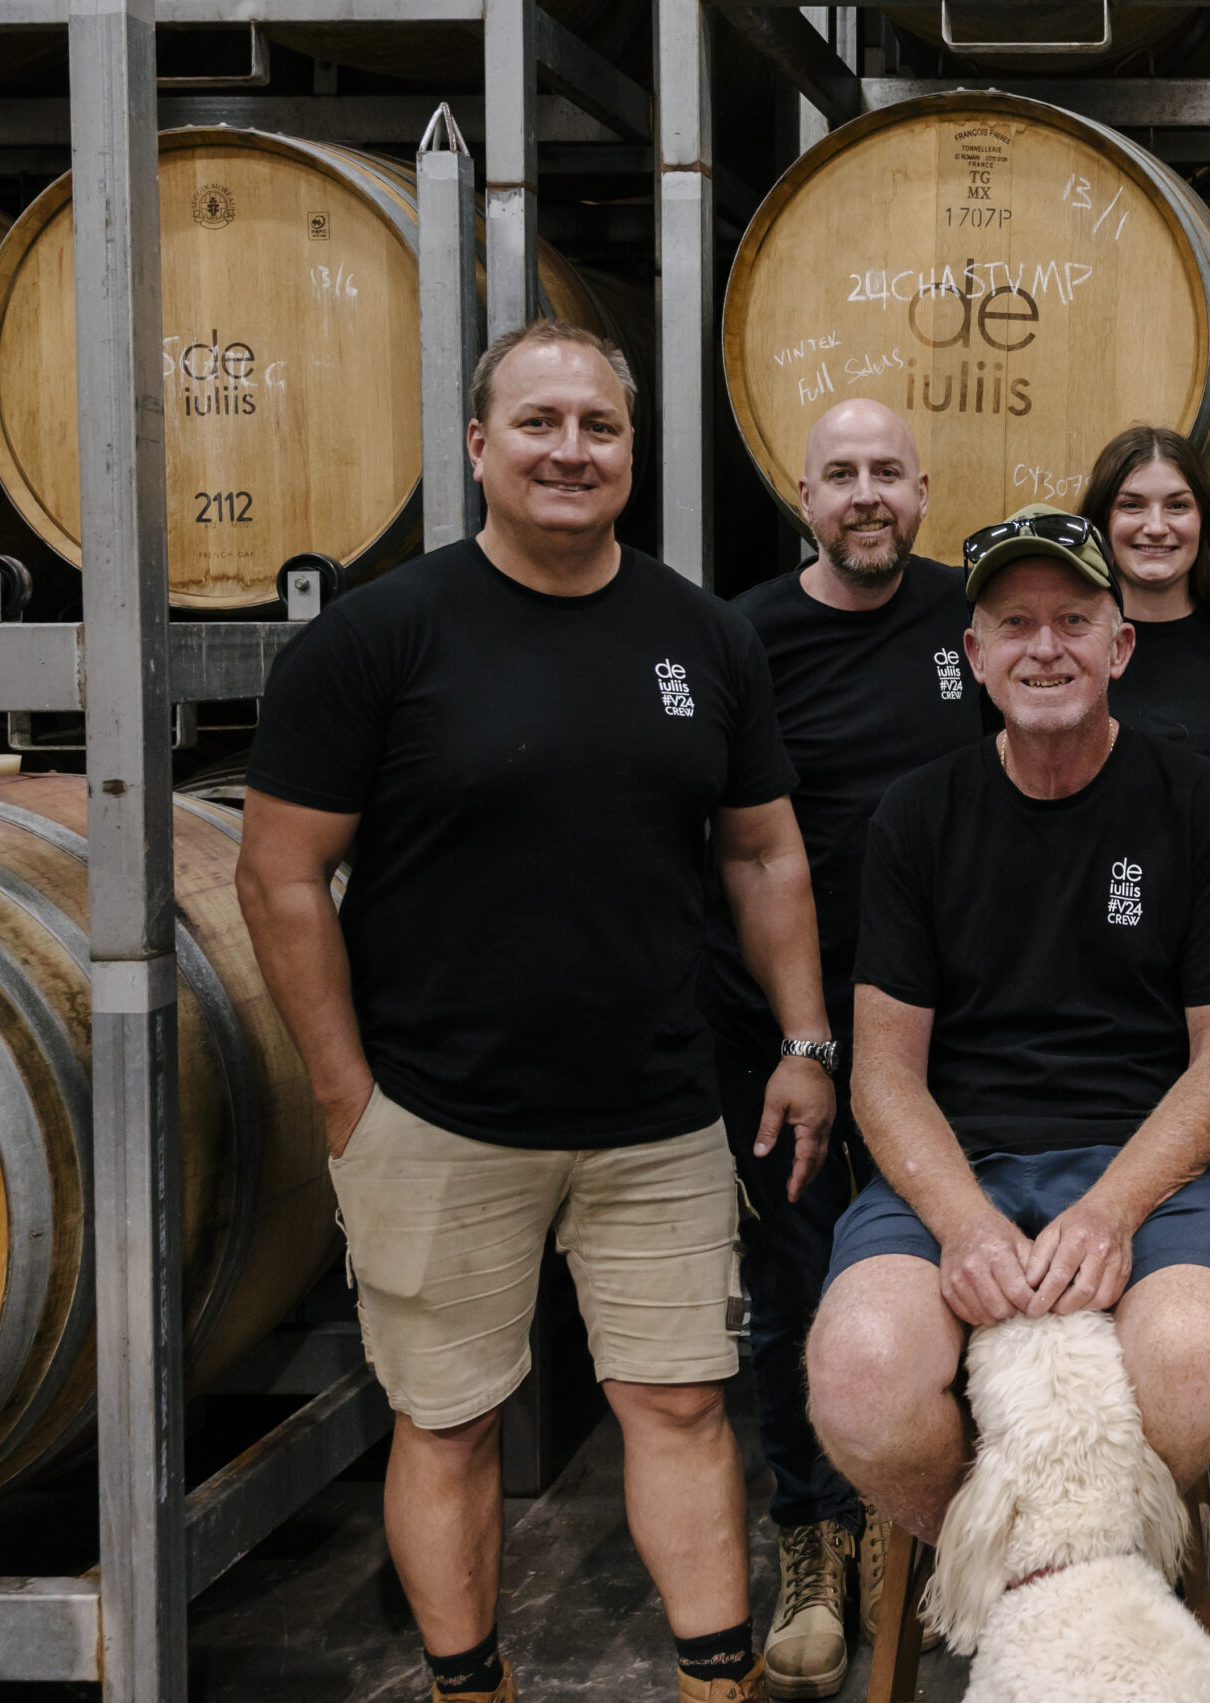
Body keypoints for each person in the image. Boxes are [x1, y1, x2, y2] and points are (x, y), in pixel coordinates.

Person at [238, 319, 833, 1703]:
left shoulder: (701, 633)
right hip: (440, 1112)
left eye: (601, 426)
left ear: (633, 449)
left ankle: (713, 1684)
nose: (573, 449)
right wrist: (347, 1098)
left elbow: (763, 850)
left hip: (658, 1106)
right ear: (478, 446)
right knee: (446, 1423)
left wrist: (803, 1038)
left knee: (682, 1405)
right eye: (540, 423)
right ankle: (469, 1684)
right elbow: (280, 874)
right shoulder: (380, 637)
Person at [803, 502, 1210, 1550]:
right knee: (858, 1379)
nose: (1045, 646)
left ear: (1121, 645)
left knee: (1193, 1369)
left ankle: (1030, 1591)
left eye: (1072, 619)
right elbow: (883, 1073)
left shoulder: (1194, 802)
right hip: (956, 1166)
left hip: (1151, 1174)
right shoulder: (917, 814)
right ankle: (1023, 1582)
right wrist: (965, 1221)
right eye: (1014, 624)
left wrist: (1111, 1212)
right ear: (974, 655)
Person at [697, 398, 982, 1697]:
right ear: (801, 496)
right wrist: (797, 1031)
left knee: (934, 1277)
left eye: (888, 472)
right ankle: (811, 1542)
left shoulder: (968, 616)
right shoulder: (744, 635)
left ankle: (904, 1527)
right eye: (840, 475)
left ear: (923, 489)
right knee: (799, 1275)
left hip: (947, 1026)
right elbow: (733, 844)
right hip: (786, 1029)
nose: (866, 493)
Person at [1081, 423, 1210, 796]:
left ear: (1203, 519)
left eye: (1177, 506)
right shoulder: (1071, 647)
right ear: (1100, 521)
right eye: (1132, 505)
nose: (1156, 527)